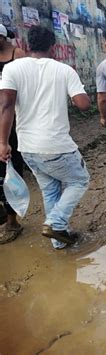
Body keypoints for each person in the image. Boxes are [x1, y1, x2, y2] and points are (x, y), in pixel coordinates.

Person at [0, 26, 90, 250]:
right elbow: (83, 104)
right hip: (56, 144)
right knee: (80, 180)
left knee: (50, 189)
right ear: (52, 46)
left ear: (28, 44)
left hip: (28, 147)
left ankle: (58, 242)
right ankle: (56, 223)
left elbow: (7, 105)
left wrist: (3, 142)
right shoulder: (64, 70)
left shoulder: (12, 69)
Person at [0, 24, 26, 244]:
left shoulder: (18, 56)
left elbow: (21, 92)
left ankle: (12, 221)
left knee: (10, 166)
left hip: (12, 120)